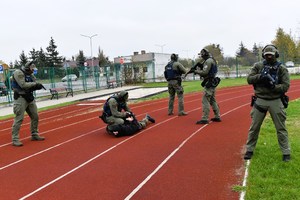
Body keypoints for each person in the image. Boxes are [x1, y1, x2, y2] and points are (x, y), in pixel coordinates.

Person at [244, 44, 291, 162]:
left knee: (281, 128)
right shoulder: (258, 66)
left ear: (276, 54)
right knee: (254, 127)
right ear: (263, 55)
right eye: (266, 55)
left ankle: (286, 152)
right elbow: (249, 79)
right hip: (260, 99)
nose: (269, 57)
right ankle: (249, 149)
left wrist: (274, 87)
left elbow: (286, 86)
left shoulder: (282, 68)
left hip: (275, 100)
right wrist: (261, 77)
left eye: (271, 55)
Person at [11, 61, 45, 147]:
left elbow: (33, 84)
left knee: (35, 116)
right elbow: (23, 85)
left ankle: (34, 134)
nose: (33, 71)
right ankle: (15, 139)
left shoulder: (31, 75)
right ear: (27, 68)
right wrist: (35, 84)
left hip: (29, 97)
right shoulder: (18, 73)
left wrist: (37, 86)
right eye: (32, 69)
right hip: (20, 98)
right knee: (19, 118)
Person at [194, 48, 221, 124]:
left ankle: (205, 118)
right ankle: (217, 116)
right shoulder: (212, 60)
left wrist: (196, 71)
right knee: (212, 100)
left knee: (205, 100)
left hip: (209, 82)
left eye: (201, 55)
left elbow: (205, 72)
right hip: (212, 82)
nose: (201, 57)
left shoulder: (208, 61)